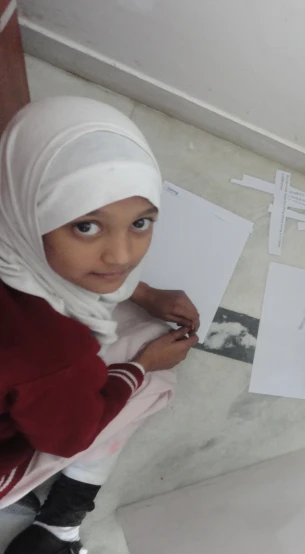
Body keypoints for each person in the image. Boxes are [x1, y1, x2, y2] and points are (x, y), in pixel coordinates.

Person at [0, 97, 201, 554]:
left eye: (141, 222)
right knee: (153, 377)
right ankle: (59, 525)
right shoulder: (53, 354)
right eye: (86, 227)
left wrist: (144, 293)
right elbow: (70, 435)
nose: (122, 256)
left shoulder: (8, 214)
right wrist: (141, 366)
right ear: (30, 214)